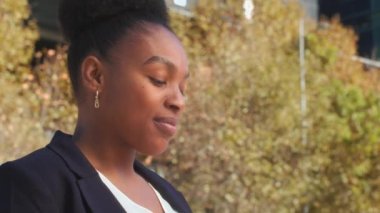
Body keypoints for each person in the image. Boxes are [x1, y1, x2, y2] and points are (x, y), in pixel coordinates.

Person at [0, 0, 191, 212]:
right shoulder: (33, 185)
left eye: (182, 88)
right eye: (159, 79)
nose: (179, 102)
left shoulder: (174, 199)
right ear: (95, 75)